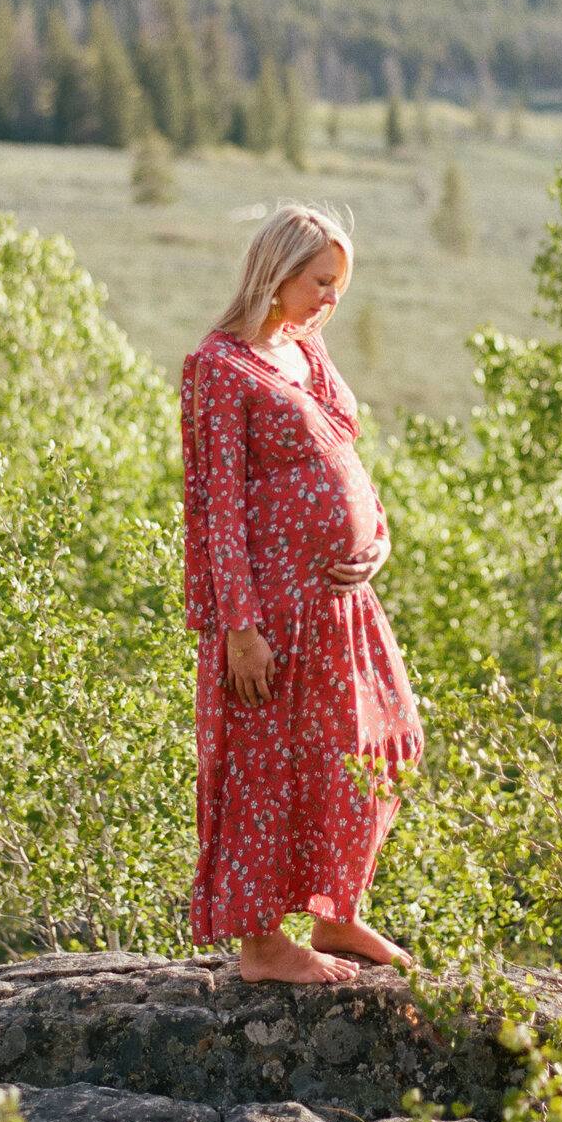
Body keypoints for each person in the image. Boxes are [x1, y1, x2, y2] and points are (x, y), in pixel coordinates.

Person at [181, 203, 423, 983]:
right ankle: (261, 944)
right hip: (273, 609)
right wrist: (240, 630)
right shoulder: (220, 367)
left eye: (338, 286)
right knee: (267, 764)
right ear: (276, 272)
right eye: (320, 282)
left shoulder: (306, 355)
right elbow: (216, 504)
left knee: (381, 744)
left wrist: (375, 534)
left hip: (341, 600)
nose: (329, 299)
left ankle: (334, 911)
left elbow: (345, 456)